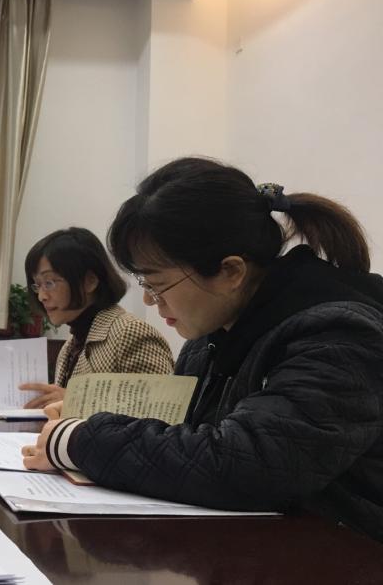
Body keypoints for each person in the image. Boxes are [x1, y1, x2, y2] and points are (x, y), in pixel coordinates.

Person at [22, 157, 383, 542]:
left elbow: (249, 465)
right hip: (253, 545)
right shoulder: (209, 337)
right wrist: (90, 415)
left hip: (346, 554)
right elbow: (187, 438)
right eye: (144, 282)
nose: (149, 299)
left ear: (231, 272)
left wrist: (77, 440)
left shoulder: (339, 335)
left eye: (157, 283)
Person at [18, 228, 173, 409]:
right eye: (37, 285)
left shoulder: (131, 332)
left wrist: (75, 401)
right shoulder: (70, 346)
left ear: (90, 281)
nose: (41, 296)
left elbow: (159, 410)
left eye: (49, 283)